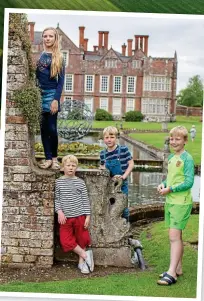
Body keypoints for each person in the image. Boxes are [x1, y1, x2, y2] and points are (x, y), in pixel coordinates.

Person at [157, 126, 194, 286]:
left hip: (181, 203)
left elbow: (188, 182)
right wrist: (163, 184)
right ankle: (178, 267)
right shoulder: (172, 157)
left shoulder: (188, 159)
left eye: (177, 139)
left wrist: (170, 189)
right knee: (176, 237)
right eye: (172, 139)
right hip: (171, 201)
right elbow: (171, 178)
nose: (174, 142)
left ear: (185, 141)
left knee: (173, 237)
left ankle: (171, 273)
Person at [55, 155, 94, 274]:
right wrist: (59, 211)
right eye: (68, 165)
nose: (71, 168)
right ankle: (86, 255)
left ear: (76, 167)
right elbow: (56, 199)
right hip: (65, 218)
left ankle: (82, 263)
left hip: (80, 216)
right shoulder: (59, 182)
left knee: (82, 240)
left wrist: (88, 216)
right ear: (63, 167)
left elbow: (85, 200)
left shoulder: (80, 182)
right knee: (65, 240)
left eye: (73, 165)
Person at [36, 27, 65, 169]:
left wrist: (56, 99)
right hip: (39, 95)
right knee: (43, 129)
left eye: (50, 36)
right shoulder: (40, 55)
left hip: (51, 95)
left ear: (55, 38)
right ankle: (47, 158)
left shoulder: (59, 57)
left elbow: (61, 82)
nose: (47, 38)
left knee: (52, 128)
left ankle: (54, 159)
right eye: (45, 36)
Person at [99, 126, 134, 218]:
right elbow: (102, 167)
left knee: (123, 207)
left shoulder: (123, 150)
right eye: (107, 138)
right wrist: (102, 169)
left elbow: (131, 164)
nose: (109, 140)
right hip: (109, 184)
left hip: (122, 184)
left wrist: (124, 176)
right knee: (111, 206)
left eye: (112, 137)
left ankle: (125, 226)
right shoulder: (103, 154)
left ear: (116, 138)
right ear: (103, 139)